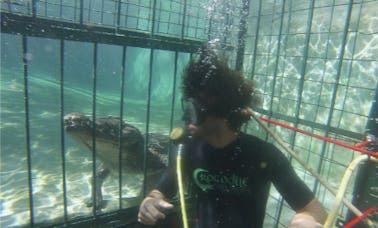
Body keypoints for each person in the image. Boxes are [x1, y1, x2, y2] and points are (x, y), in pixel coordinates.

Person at [137, 44, 327, 228]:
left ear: (222, 107)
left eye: (197, 104)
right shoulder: (187, 149)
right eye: (189, 102)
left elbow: (315, 211)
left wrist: (307, 219)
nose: (187, 115)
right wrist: (150, 201)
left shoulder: (264, 155)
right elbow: (161, 192)